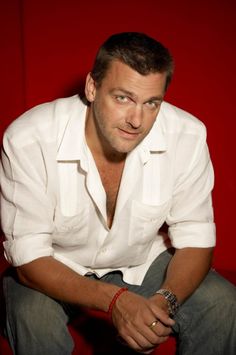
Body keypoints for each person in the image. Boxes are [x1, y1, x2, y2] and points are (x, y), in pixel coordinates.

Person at [0, 32, 235, 355]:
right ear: (92, 88)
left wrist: (162, 302)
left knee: (222, 304)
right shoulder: (29, 138)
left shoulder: (187, 136)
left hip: (141, 260)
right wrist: (116, 302)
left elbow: (196, 239)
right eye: (122, 98)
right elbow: (28, 260)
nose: (136, 120)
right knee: (32, 316)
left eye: (151, 103)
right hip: (56, 266)